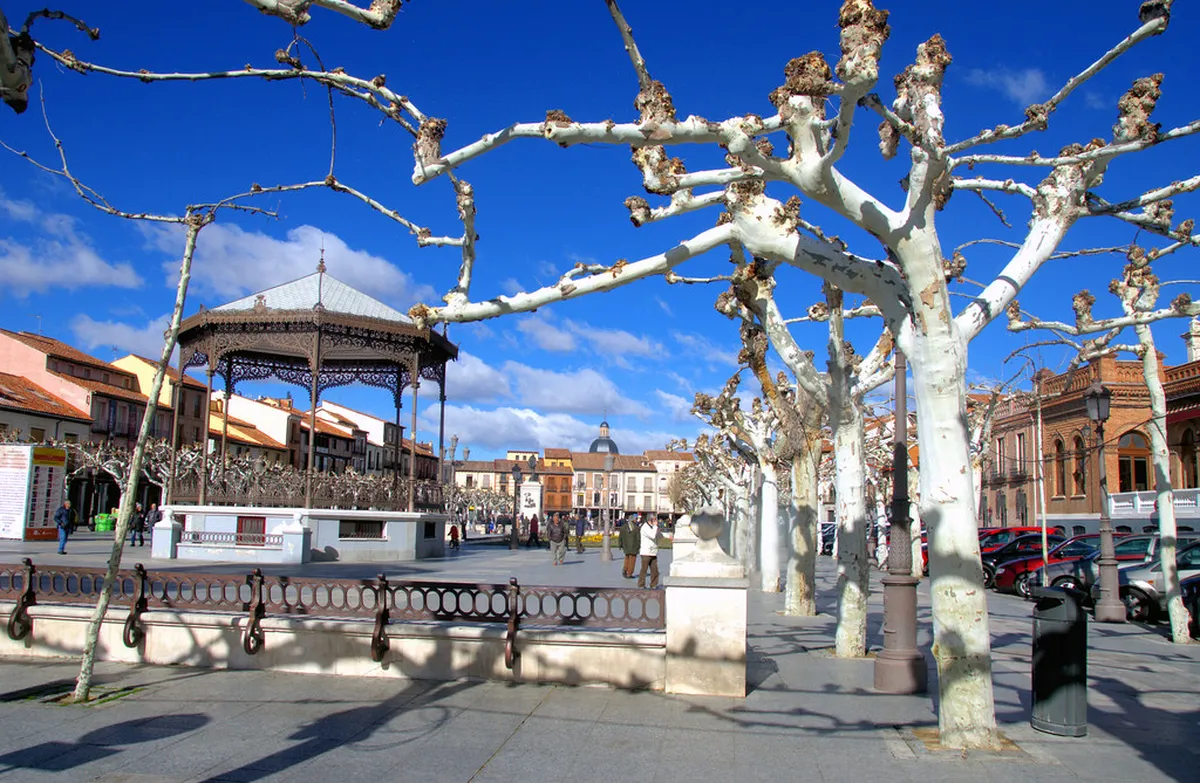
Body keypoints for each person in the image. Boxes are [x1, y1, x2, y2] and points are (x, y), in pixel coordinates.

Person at [637, 515, 660, 589]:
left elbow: (658, 536)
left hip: (653, 551)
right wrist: (655, 526)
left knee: (655, 570)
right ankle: (641, 584)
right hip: (646, 552)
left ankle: (653, 584)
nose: (656, 521)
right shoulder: (645, 527)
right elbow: (652, 535)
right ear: (651, 520)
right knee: (644, 569)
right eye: (655, 519)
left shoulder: (652, 527)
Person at [619, 513, 641, 578]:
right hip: (634, 546)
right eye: (635, 519)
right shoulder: (636, 528)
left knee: (627, 558)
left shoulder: (623, 527)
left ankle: (625, 569)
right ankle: (629, 573)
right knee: (632, 560)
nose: (636, 520)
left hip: (626, 546)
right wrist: (639, 546)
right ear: (633, 520)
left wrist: (620, 545)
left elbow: (620, 537)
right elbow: (638, 538)